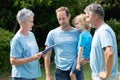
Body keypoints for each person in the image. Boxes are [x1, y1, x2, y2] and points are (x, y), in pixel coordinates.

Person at [44, 6, 84, 80]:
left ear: (69, 16)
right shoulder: (52, 33)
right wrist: (47, 75)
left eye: (63, 18)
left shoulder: (78, 32)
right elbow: (47, 55)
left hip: (76, 70)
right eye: (59, 19)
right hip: (60, 72)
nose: (61, 21)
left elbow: (84, 49)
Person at [84, 3, 118, 80]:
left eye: (88, 17)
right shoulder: (99, 30)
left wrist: (106, 73)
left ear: (95, 16)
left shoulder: (103, 31)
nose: (86, 20)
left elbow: (109, 53)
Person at [10, 8, 42, 80]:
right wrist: (32, 58)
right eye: (30, 22)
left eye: (32, 21)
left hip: (32, 75)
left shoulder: (31, 35)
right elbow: (13, 61)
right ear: (22, 23)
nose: (33, 24)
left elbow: (33, 53)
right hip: (21, 76)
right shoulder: (17, 39)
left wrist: (40, 54)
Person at [70, 14, 92, 80]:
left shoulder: (82, 35)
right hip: (86, 58)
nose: (75, 26)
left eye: (77, 23)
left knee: (72, 74)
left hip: (82, 57)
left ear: (83, 23)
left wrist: (78, 63)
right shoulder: (88, 34)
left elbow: (81, 49)